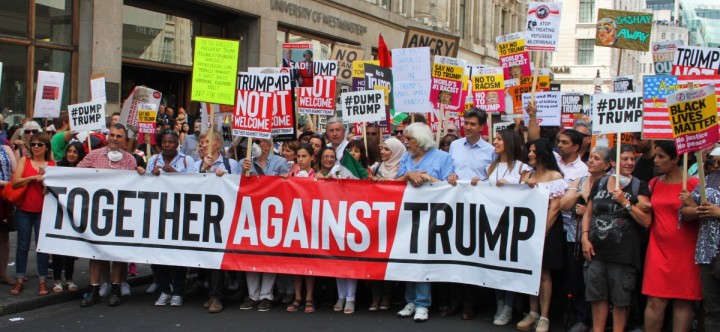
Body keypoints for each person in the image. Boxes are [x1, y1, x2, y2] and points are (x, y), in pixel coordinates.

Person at [581, 144, 652, 332]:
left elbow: (646, 221)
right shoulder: (601, 182)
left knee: (621, 299)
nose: (630, 162)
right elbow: (589, 213)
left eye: (632, 158)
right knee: (597, 296)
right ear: (612, 162)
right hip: (596, 251)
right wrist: (585, 238)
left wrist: (625, 202)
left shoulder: (639, 185)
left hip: (623, 255)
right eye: (625, 158)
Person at [78, 124, 143, 307]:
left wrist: (139, 172)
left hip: (120, 213)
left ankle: (116, 288)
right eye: (112, 135)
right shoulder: (93, 155)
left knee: (118, 252)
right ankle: (93, 289)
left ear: (124, 140)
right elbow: (74, 174)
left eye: (118, 136)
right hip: (97, 211)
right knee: (95, 252)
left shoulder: (130, 160)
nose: (114, 138)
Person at [396, 122, 454, 323]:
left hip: (433, 217)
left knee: (423, 259)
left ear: (419, 140)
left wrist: (428, 178)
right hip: (408, 217)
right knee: (408, 258)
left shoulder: (443, 158)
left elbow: (451, 186)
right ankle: (410, 300)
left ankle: (422, 303)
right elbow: (396, 183)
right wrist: (407, 175)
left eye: (409, 138)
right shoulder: (406, 158)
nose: (405, 141)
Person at [643, 141, 700, 332]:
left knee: (683, 301)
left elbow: (703, 216)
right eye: (655, 156)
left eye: (661, 157)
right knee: (654, 301)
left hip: (686, 250)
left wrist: (692, 203)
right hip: (657, 250)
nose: (656, 161)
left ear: (676, 159)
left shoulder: (694, 184)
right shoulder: (654, 183)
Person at [560, 146, 613, 332]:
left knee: (596, 281)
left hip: (600, 239)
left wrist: (589, 207)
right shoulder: (580, 180)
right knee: (577, 280)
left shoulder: (612, 183)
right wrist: (579, 194)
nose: (590, 161)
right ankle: (581, 318)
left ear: (607, 165)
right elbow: (563, 204)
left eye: (597, 159)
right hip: (574, 238)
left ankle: (596, 321)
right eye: (590, 157)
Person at [516, 138, 567, 332]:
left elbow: (555, 208)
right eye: (529, 150)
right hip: (529, 229)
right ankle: (532, 312)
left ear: (543, 153)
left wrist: (542, 232)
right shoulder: (525, 175)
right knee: (531, 271)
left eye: (534, 151)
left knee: (545, 273)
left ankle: (544, 316)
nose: (530, 154)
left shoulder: (555, 176)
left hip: (548, 229)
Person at [483, 129, 531, 326]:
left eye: (499, 139)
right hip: (491, 222)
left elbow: (529, 189)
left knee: (509, 265)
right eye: (495, 138)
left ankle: (509, 306)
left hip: (512, 224)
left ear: (509, 142)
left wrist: (514, 185)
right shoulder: (490, 167)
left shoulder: (522, 168)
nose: (495, 142)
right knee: (494, 265)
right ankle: (499, 303)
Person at [238, 138, 290, 312]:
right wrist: (242, 172)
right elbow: (233, 186)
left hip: (272, 215)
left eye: (260, 142)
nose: (257, 146)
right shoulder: (243, 162)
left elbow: (289, 185)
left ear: (268, 144)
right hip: (250, 214)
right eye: (254, 143)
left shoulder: (280, 162)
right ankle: (253, 296)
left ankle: (266, 295)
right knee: (250, 254)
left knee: (268, 255)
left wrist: (285, 178)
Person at [147, 130, 196, 307]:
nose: (167, 145)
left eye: (171, 142)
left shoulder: (186, 161)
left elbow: (195, 183)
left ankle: (177, 291)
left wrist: (176, 174)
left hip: (179, 212)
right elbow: (145, 185)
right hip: (159, 212)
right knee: (158, 254)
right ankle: (163, 290)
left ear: (177, 143)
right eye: (164, 142)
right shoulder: (153, 160)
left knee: (177, 254)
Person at [193, 130, 239, 313]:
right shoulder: (195, 164)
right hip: (201, 216)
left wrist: (226, 178)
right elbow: (186, 187)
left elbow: (237, 186)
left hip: (224, 217)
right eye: (201, 142)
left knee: (218, 255)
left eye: (207, 141)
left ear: (218, 144)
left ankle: (217, 296)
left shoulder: (231, 164)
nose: (203, 144)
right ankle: (210, 291)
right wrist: (203, 171)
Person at [10, 132, 55, 296]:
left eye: (40, 144)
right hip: (24, 210)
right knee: (22, 246)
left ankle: (42, 281)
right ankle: (19, 279)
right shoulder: (24, 160)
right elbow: (15, 182)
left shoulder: (51, 164)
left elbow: (52, 190)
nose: (36, 147)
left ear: (46, 147)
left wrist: (45, 182)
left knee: (42, 247)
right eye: (34, 144)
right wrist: (32, 178)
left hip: (42, 211)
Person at [679, 147, 720, 331]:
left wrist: (718, 212)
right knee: (712, 309)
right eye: (712, 161)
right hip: (708, 252)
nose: (716, 165)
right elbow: (684, 213)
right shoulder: (706, 181)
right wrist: (697, 210)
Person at [286, 143, 317, 313]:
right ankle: (297, 297)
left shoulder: (317, 176)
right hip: (295, 223)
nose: (301, 159)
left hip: (311, 224)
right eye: (299, 156)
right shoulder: (292, 174)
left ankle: (310, 297)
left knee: (309, 263)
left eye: (304, 156)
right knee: (296, 263)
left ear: (312, 157)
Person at [51, 141, 86, 293]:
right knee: (58, 246)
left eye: (75, 152)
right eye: (69, 151)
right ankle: (57, 279)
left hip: (75, 213)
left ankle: (69, 278)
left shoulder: (85, 170)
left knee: (71, 247)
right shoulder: (58, 168)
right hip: (58, 211)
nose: (71, 154)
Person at [447, 108, 495, 184]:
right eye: (466, 123)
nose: (468, 127)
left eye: (472, 124)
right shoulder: (454, 145)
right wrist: (451, 175)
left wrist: (481, 182)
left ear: (481, 127)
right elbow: (448, 170)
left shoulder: (491, 150)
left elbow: (493, 178)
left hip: (478, 194)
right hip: (457, 193)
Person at [0, 138, 16, 286]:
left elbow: (15, 168)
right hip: (3, 187)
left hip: (4, 195)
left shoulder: (5, 144)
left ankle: (3, 272)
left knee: (4, 235)